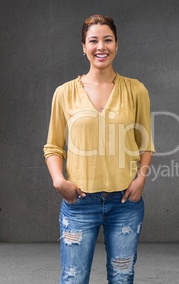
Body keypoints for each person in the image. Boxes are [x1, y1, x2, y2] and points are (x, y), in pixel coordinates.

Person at [43, 14, 155, 283]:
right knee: (74, 278)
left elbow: (146, 143)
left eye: (108, 40)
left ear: (117, 45)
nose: (101, 47)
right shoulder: (65, 93)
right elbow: (53, 146)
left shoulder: (136, 90)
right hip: (79, 202)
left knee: (122, 276)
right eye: (93, 40)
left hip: (125, 203)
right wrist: (59, 180)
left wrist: (141, 178)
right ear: (83, 46)